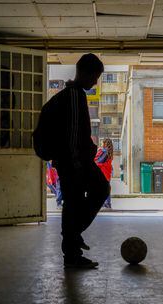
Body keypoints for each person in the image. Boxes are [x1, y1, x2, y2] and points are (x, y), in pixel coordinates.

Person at [52, 54, 110, 269]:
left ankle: (72, 253)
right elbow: (74, 135)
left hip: (71, 161)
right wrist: (77, 163)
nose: (95, 82)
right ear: (84, 73)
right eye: (95, 77)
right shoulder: (75, 96)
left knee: (73, 203)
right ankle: (73, 239)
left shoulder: (70, 95)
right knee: (100, 189)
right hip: (74, 163)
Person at [94, 138, 114, 208]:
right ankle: (108, 204)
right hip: (107, 174)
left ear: (105, 144)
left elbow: (98, 162)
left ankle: (105, 204)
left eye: (102, 143)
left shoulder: (104, 151)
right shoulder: (110, 152)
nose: (102, 144)